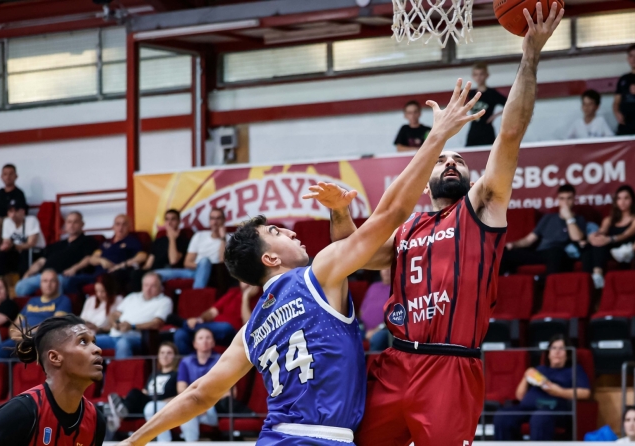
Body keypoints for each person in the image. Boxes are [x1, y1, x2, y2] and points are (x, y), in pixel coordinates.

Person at [117, 74, 485, 445]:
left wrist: (133, 440)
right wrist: (437, 135)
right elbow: (390, 214)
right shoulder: (317, 276)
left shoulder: (251, 330)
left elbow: (199, 394)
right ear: (271, 257)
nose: (292, 232)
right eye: (277, 233)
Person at [319, 6, 564, 445]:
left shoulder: (482, 208)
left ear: (470, 179)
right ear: (427, 175)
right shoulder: (406, 229)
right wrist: (339, 212)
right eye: (444, 159)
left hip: (451, 368)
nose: (451, 162)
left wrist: (530, 53)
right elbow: (350, 256)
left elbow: (510, 133)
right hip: (394, 364)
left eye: (459, 160)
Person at [0, 315, 107, 445]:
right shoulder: (19, 413)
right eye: (83, 341)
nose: (98, 349)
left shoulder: (96, 421)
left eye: (94, 342)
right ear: (55, 357)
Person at [493, 334, 591, 441]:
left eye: (561, 348)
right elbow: (520, 396)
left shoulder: (574, 370)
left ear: (567, 354)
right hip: (527, 408)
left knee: (540, 417)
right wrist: (525, 377)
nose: (557, 352)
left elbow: (585, 393)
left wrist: (559, 392)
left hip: (553, 410)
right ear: (548, 354)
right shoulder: (540, 369)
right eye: (553, 348)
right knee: (502, 415)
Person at [501, 184, 587, 275]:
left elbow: (577, 238)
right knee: (504, 252)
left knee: (556, 252)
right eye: (562, 198)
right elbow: (529, 240)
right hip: (541, 253)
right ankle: (505, 279)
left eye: (569, 198)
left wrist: (569, 218)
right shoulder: (548, 218)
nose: (565, 202)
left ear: (574, 199)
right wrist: (513, 245)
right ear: (558, 200)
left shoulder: (578, 219)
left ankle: (548, 283)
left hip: (559, 253)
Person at [0, 269, 72, 359]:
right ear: (40, 284)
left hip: (38, 340)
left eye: (52, 281)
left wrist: (27, 333)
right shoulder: (32, 301)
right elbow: (15, 324)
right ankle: (11, 370)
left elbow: (54, 325)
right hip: (20, 339)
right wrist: (14, 333)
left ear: (58, 283)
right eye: (45, 281)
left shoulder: (63, 300)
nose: (48, 284)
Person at [15, 211, 99, 296]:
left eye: (75, 222)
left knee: (57, 283)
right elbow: (41, 261)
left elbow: (88, 258)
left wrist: (74, 269)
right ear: (65, 224)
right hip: (43, 276)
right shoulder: (56, 245)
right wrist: (28, 273)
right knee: (21, 286)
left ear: (82, 224)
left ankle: (54, 307)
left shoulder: (88, 241)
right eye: (69, 222)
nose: (71, 225)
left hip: (63, 276)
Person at [107, 342, 179, 439]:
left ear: (175, 356)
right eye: (162, 353)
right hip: (146, 402)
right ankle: (120, 409)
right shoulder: (154, 374)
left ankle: (119, 414)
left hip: (160, 404)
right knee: (129, 396)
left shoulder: (176, 374)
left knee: (134, 393)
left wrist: (163, 402)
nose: (165, 356)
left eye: (169, 353)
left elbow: (179, 395)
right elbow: (145, 391)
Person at [95, 272, 172, 359]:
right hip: (114, 335)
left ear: (160, 287)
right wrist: (114, 323)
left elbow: (157, 323)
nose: (148, 289)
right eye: (146, 285)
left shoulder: (164, 301)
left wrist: (132, 326)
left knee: (123, 344)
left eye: (153, 286)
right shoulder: (132, 296)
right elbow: (115, 314)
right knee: (88, 341)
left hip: (136, 338)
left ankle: (121, 372)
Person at [581, 185, 635, 288]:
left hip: (625, 249)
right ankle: (592, 279)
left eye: (626, 198)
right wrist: (592, 236)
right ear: (615, 201)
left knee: (602, 243)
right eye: (619, 198)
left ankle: (596, 277)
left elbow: (627, 234)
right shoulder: (608, 219)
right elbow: (602, 231)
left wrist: (610, 239)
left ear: (632, 200)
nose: (622, 201)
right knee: (593, 246)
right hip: (610, 249)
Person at [174, 281, 259, 355]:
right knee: (180, 334)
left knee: (226, 327)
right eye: (243, 280)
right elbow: (213, 311)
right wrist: (199, 320)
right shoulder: (233, 293)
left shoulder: (261, 298)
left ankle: (183, 324)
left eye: (249, 280)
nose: (246, 284)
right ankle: (191, 364)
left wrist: (245, 298)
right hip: (214, 330)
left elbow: (248, 326)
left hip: (233, 334)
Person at [68, 214, 146, 293]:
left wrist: (121, 265)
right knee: (71, 281)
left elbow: (142, 256)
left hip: (116, 274)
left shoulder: (132, 241)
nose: (120, 227)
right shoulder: (106, 242)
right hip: (97, 275)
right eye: (117, 224)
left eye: (124, 224)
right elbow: (92, 259)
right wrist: (102, 261)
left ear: (129, 227)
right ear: (113, 227)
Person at [154, 208, 228, 289]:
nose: (215, 222)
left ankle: (196, 294)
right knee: (154, 274)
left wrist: (223, 238)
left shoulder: (231, 238)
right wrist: (202, 268)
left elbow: (223, 262)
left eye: (218, 218)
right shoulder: (199, 235)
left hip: (215, 272)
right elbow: (187, 263)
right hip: (194, 271)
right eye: (212, 218)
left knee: (205, 261)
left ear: (224, 220)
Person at [130, 209, 189, 292]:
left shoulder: (183, 240)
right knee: (135, 274)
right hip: (153, 270)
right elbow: (148, 264)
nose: (169, 222)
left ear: (179, 222)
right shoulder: (159, 241)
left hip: (168, 271)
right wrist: (140, 271)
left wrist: (172, 238)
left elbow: (173, 260)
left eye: (173, 219)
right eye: (167, 219)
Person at [0, 199, 46, 277]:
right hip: (18, 251)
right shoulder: (7, 222)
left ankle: (23, 283)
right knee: (1, 256)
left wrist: (14, 246)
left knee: (25, 255)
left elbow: (31, 243)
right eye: (10, 211)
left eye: (16, 211)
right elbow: (6, 241)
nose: (13, 214)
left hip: (36, 251)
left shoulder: (31, 220)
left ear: (23, 211)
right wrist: (5, 246)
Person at [466, 62, 507, 146]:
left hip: (487, 130)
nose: (478, 77)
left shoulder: (492, 93)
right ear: (473, 76)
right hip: (473, 130)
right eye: (476, 74)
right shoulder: (471, 93)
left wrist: (494, 116)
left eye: (481, 74)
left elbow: (509, 105)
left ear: (486, 75)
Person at [361, 268, 392, 352]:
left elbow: (394, 316)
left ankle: (372, 364)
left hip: (385, 330)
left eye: (390, 268)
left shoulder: (396, 288)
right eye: (384, 268)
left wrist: (376, 330)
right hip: (364, 328)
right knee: (347, 336)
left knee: (377, 339)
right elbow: (362, 310)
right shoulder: (373, 286)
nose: (386, 270)